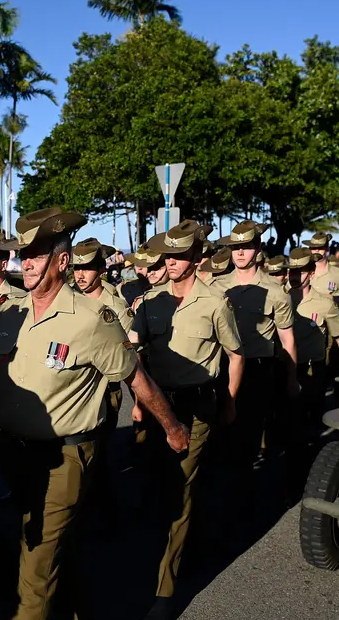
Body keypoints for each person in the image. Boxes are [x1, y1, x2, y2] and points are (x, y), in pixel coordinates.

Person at [0, 207, 190, 620]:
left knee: (35, 567)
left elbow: (136, 380)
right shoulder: (8, 315)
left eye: (36, 255)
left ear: (62, 261)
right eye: (22, 255)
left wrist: (171, 427)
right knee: (52, 554)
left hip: (65, 458)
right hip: (15, 452)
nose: (25, 263)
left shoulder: (90, 321)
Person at [132, 220, 244, 620]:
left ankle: (165, 592)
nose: (172, 262)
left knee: (182, 488)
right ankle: (187, 545)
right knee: (166, 486)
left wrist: (229, 401)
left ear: (197, 259)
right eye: (169, 256)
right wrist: (139, 401)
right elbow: (133, 352)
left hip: (198, 408)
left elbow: (235, 355)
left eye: (180, 256)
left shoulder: (215, 302)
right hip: (161, 407)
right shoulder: (148, 302)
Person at [214, 221, 298, 492]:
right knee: (217, 433)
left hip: (257, 370)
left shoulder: (275, 292)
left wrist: (291, 379)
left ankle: (242, 496)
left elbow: (287, 339)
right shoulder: (216, 286)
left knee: (248, 435)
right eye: (235, 247)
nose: (239, 253)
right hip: (221, 366)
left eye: (246, 247)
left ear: (258, 249)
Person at [72, 237, 134, 535]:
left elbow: (130, 355)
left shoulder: (114, 305)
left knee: (97, 454)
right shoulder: (71, 299)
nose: (79, 275)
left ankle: (108, 518)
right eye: (76, 268)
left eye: (86, 269)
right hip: (75, 388)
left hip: (105, 391)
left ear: (101, 270)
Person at [286, 248, 339, 436]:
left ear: (312, 273)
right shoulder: (280, 298)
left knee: (310, 421)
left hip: (311, 369)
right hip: (283, 366)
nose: (294, 276)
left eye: (300, 271)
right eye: (291, 271)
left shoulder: (325, 303)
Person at [303, 232, 339, 296]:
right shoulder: (302, 273)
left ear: (327, 249)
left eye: (320, 247)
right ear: (310, 249)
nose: (317, 250)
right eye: (313, 248)